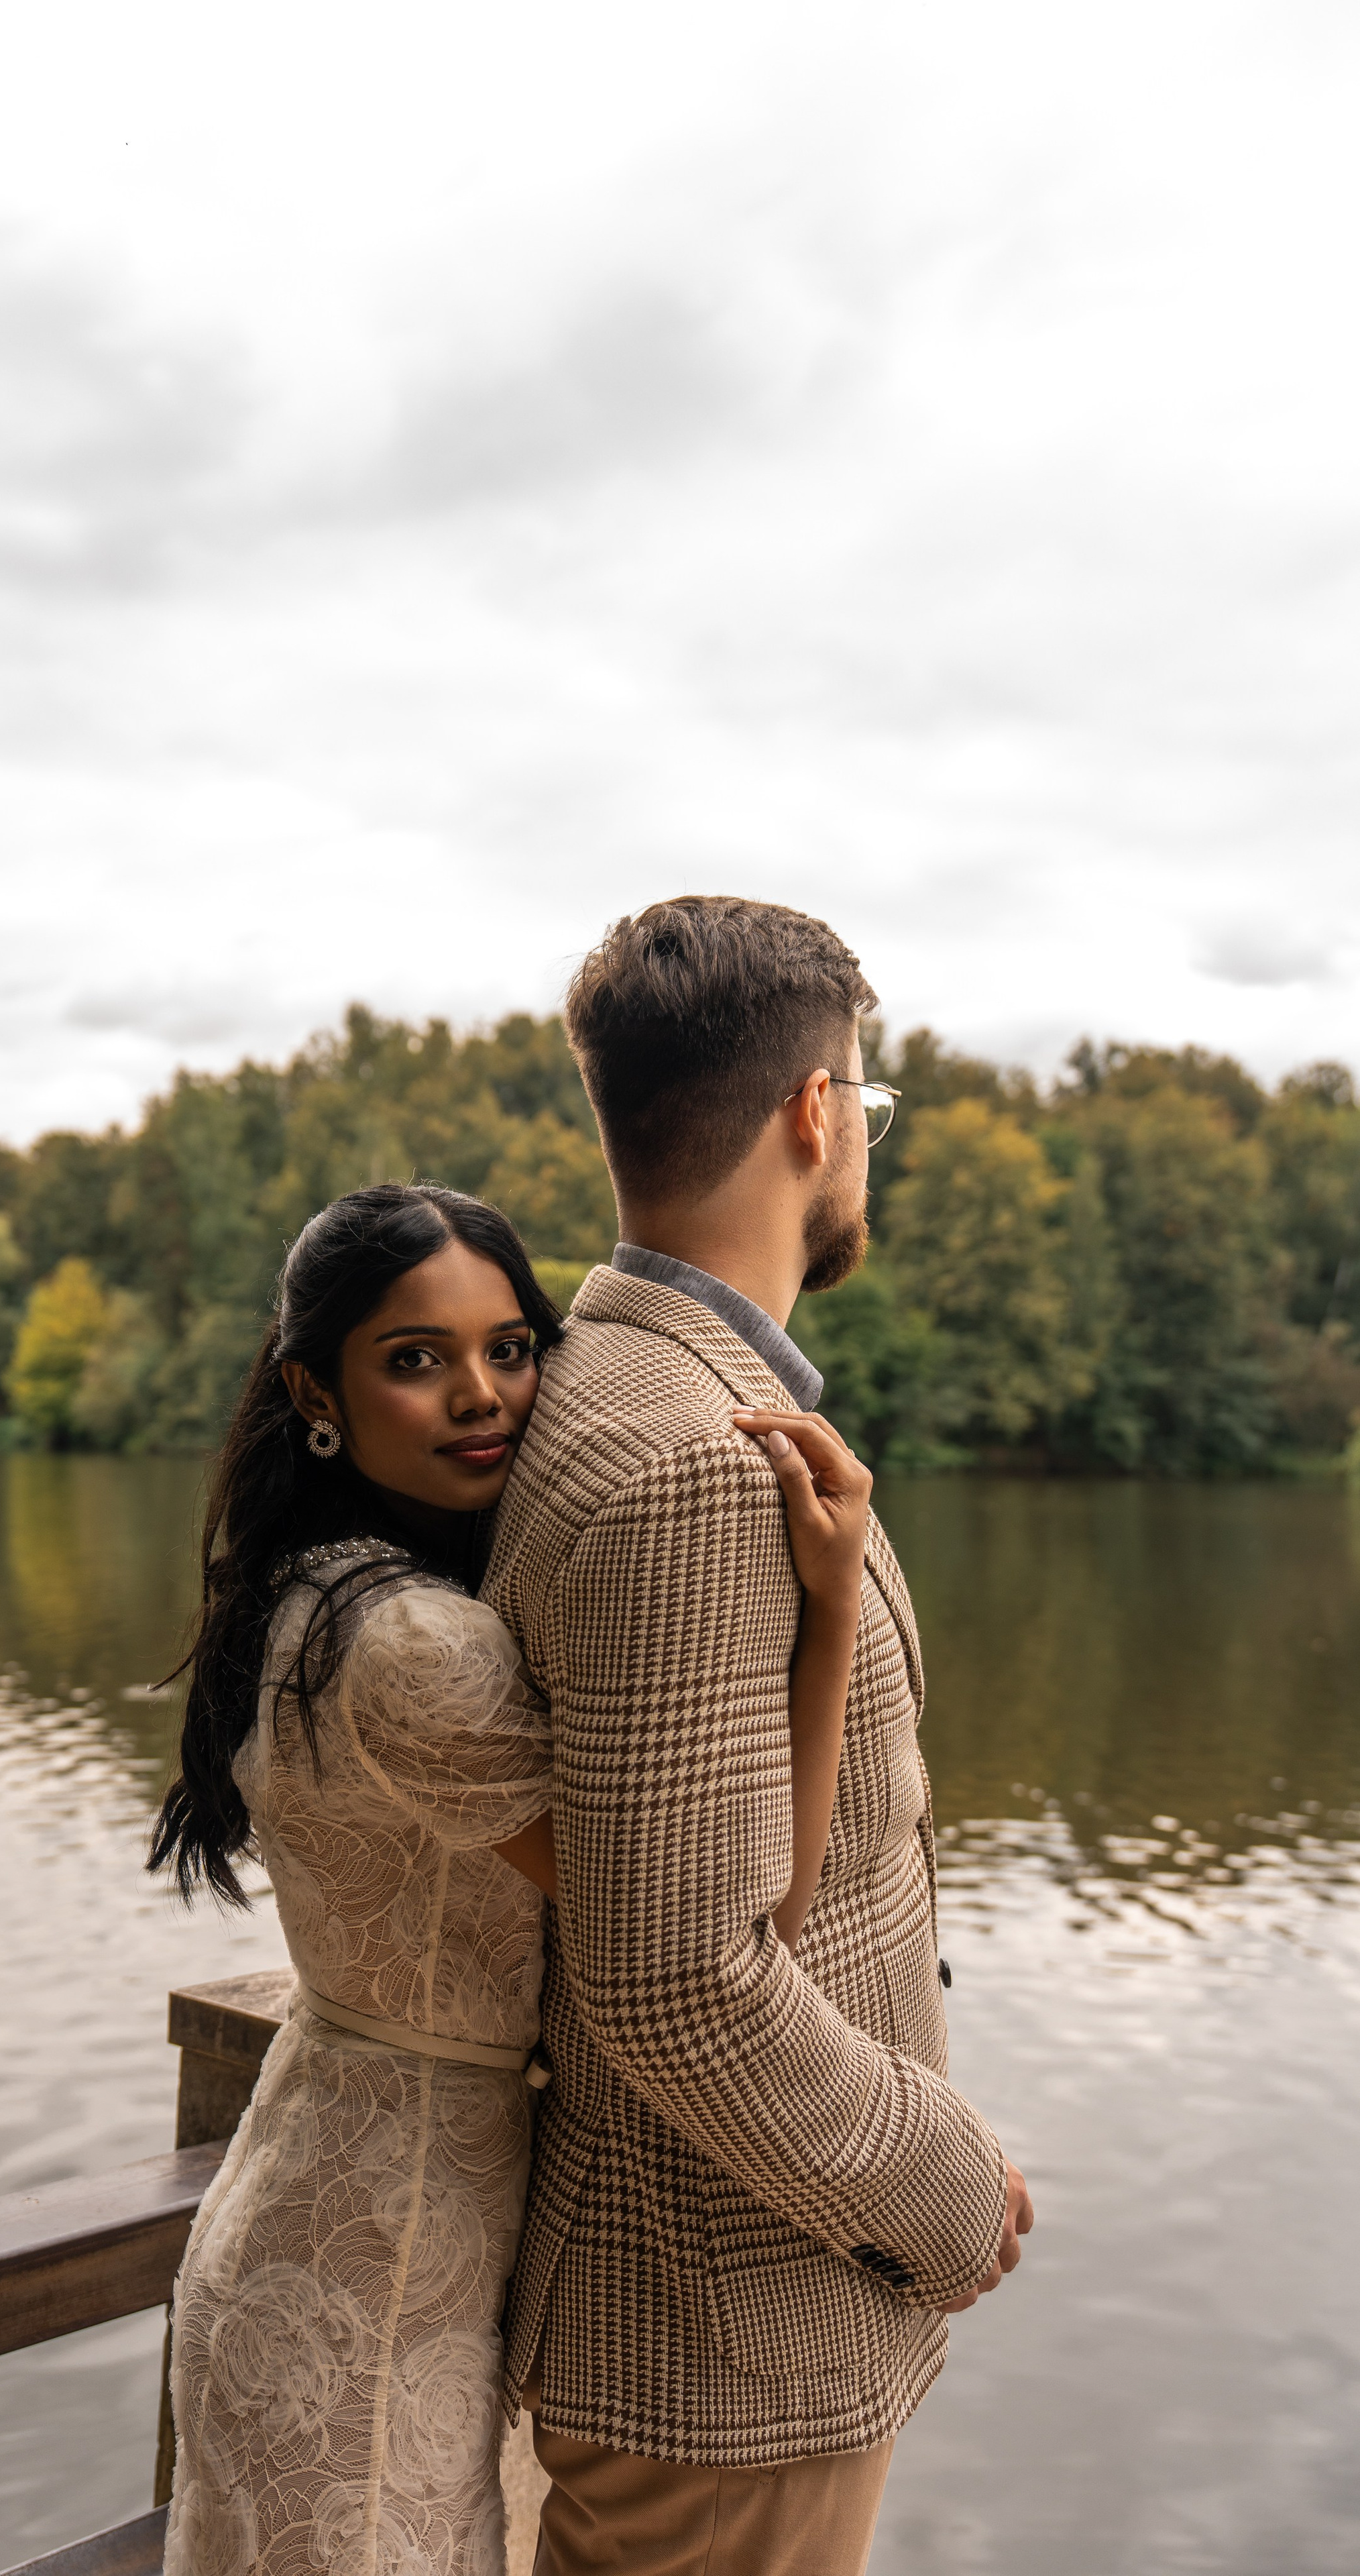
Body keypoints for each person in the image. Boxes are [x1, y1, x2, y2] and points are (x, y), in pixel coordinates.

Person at [147, 1179, 861, 2576]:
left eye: (509, 1347)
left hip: (356, 2206)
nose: (479, 1394)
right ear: (316, 1391)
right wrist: (825, 1615)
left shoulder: (322, 1583)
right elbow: (741, 1911)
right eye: (415, 1359)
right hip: (374, 2270)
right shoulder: (412, 1642)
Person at [482, 896, 1035, 2576]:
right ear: (810, 1113)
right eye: (861, 1111)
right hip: (719, 2342)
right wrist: (934, 2182)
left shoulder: (635, 1388)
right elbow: (673, 1975)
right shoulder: (681, 1459)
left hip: (724, 2317)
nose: (858, 1147)